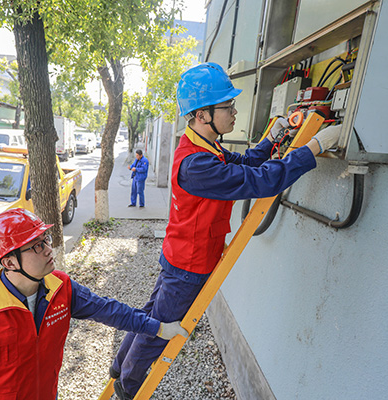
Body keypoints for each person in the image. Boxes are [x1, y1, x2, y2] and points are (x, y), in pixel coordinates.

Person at [111, 62, 341, 399]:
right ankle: (129, 386)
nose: (235, 112)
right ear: (203, 114)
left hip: (179, 255)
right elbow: (261, 181)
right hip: (189, 265)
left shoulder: (203, 148)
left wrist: (273, 137)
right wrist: (312, 150)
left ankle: (120, 367)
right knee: (161, 327)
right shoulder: (198, 164)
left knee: (151, 314)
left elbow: (246, 164)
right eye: (228, 107)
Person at [0, 208, 188, 400]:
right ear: (9, 262)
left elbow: (109, 310)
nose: (48, 248)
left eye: (44, 239)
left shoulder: (61, 288)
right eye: (35, 246)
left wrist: (159, 328)